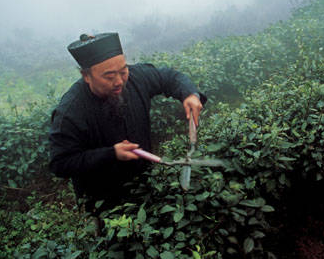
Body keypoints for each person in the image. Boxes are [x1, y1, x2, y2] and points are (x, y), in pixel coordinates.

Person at [49, 32, 206, 214]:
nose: (119, 82)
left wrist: (189, 94)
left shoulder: (136, 77)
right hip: (104, 203)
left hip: (146, 183)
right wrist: (111, 154)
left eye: (123, 71)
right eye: (108, 76)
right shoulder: (71, 111)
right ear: (86, 76)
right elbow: (60, 164)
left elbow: (168, 77)